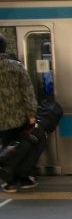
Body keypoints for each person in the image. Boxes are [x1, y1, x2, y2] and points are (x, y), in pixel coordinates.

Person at [0, 34, 38, 193]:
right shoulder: (16, 67)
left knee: (7, 150)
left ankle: (10, 182)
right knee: (24, 147)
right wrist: (31, 116)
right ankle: (23, 178)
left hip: (1, 122)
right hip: (19, 118)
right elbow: (28, 93)